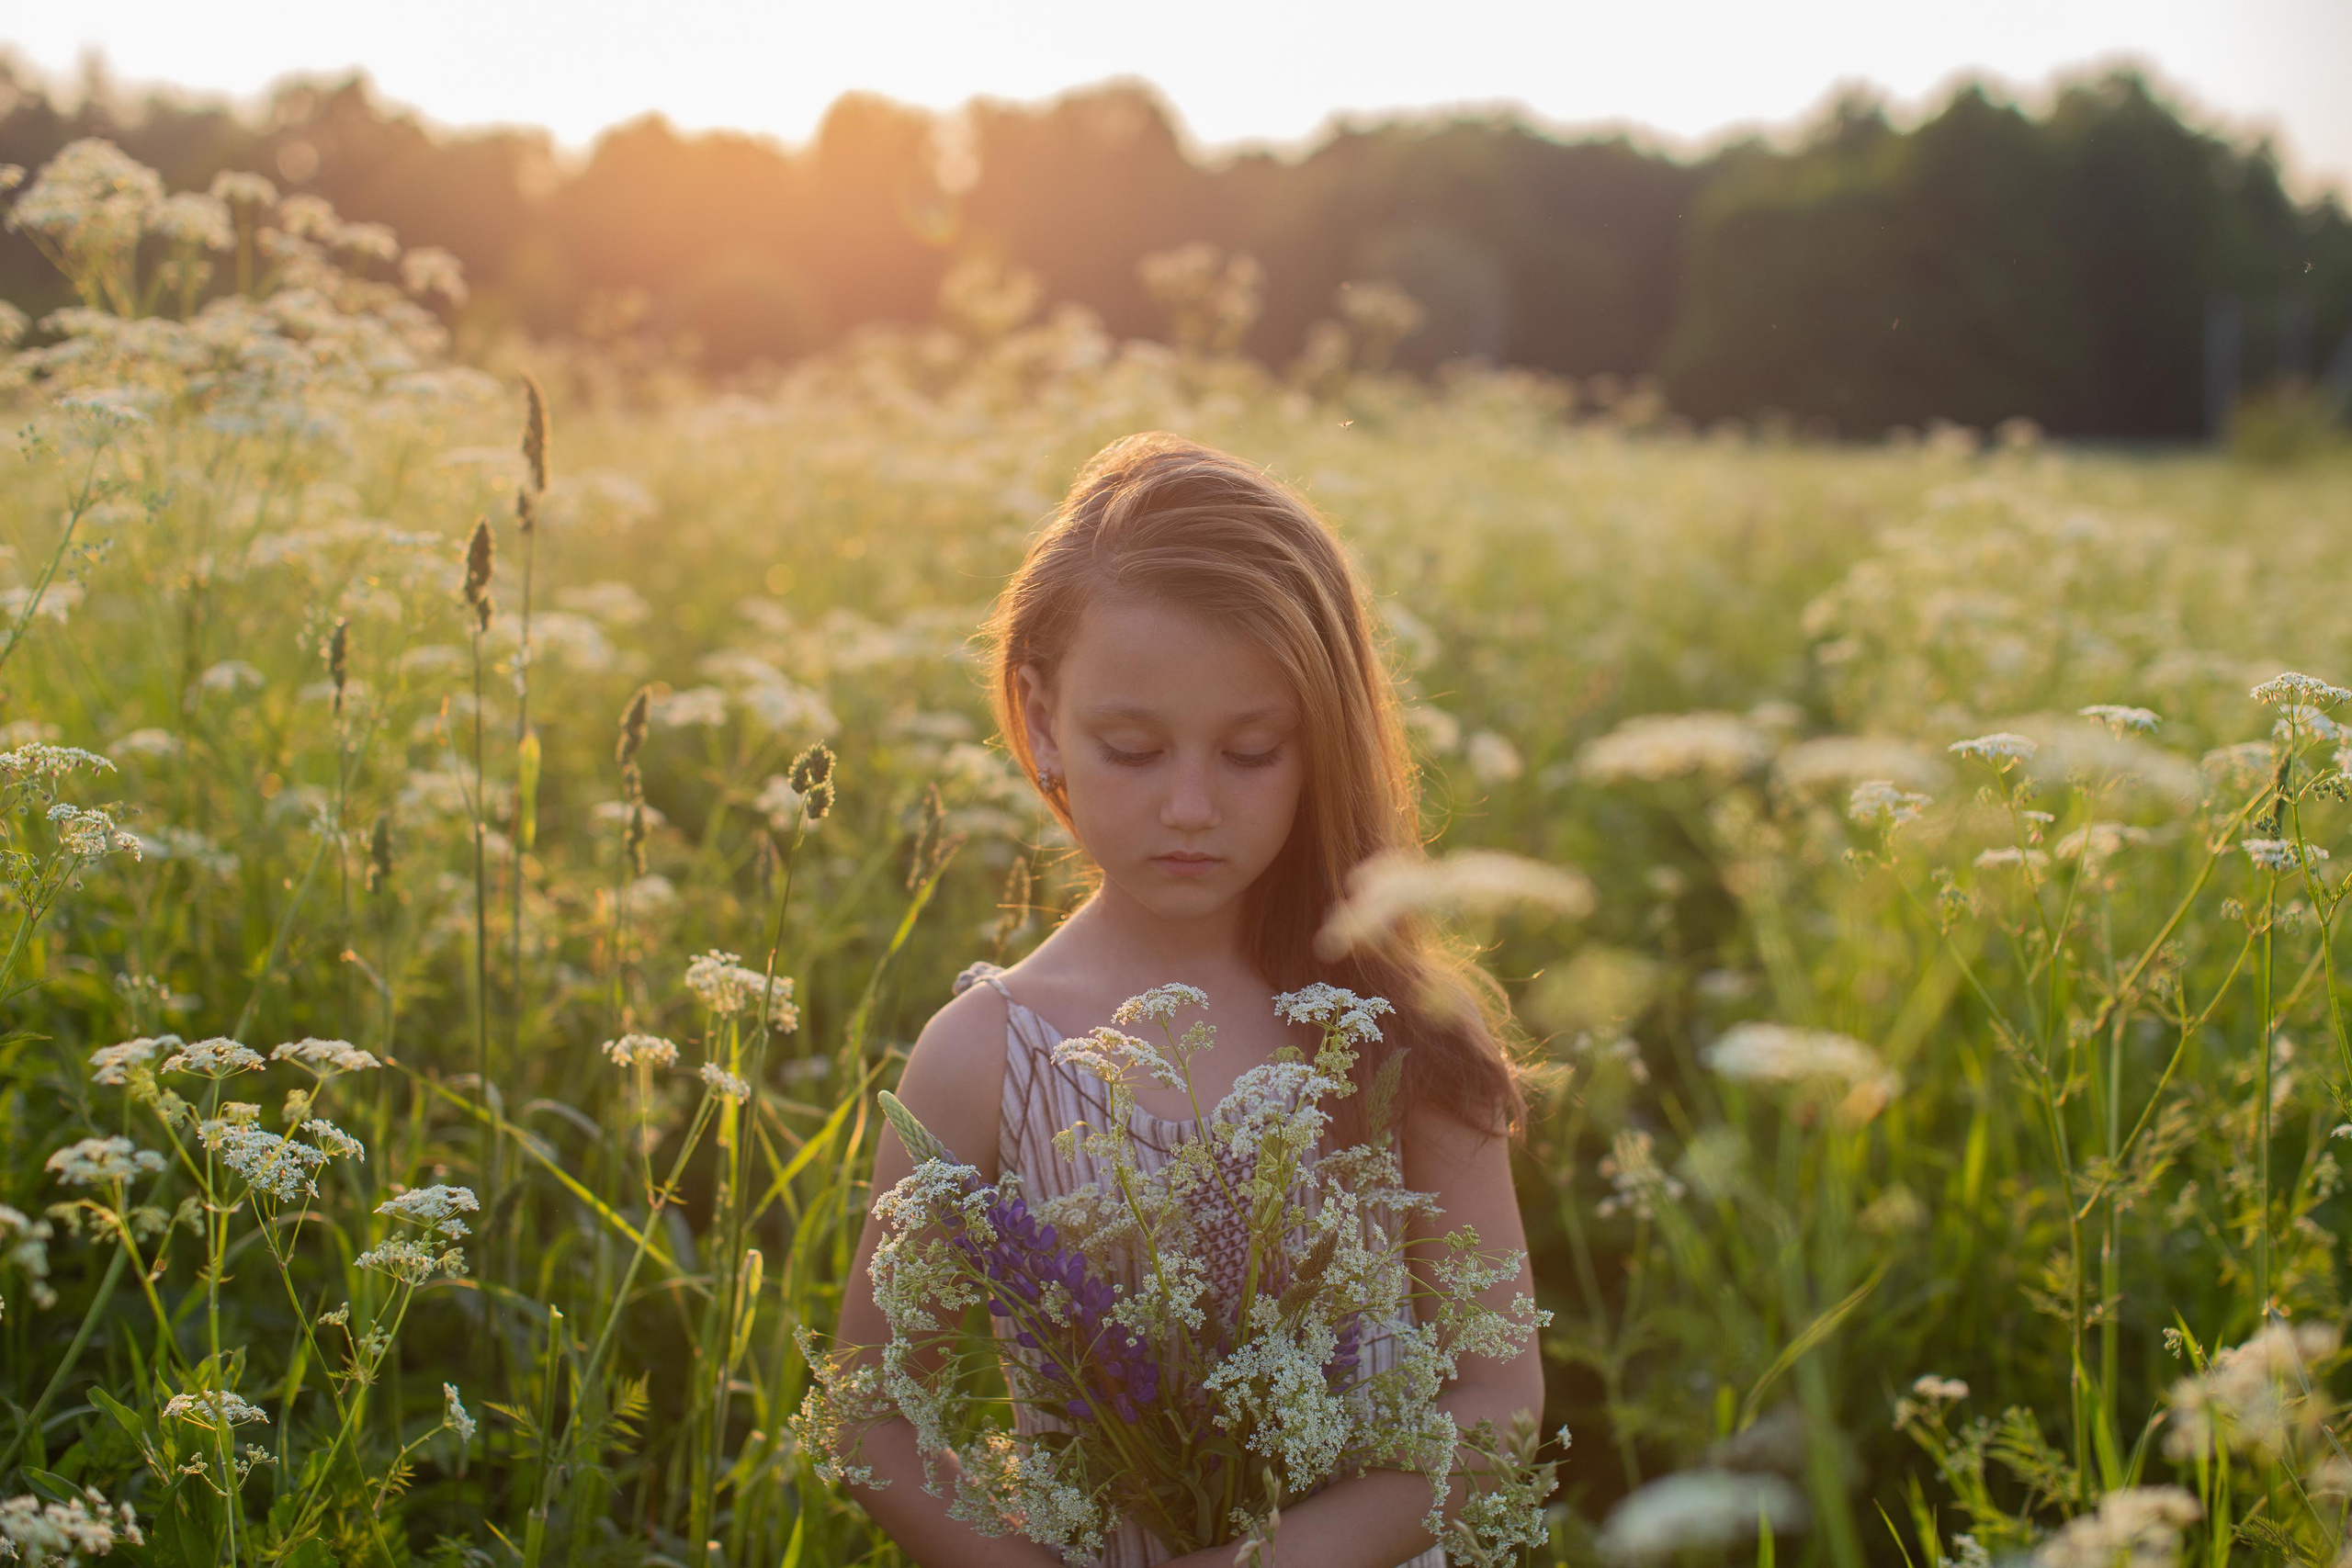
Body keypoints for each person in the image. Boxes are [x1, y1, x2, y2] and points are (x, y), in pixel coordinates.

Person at [834, 431, 1544, 1566]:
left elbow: (1499, 1400)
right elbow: (872, 1419)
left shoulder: (1399, 1031)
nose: (1190, 806)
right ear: (1041, 716)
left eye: (1252, 751)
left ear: (1324, 745)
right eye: (1133, 747)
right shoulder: (984, 1057)